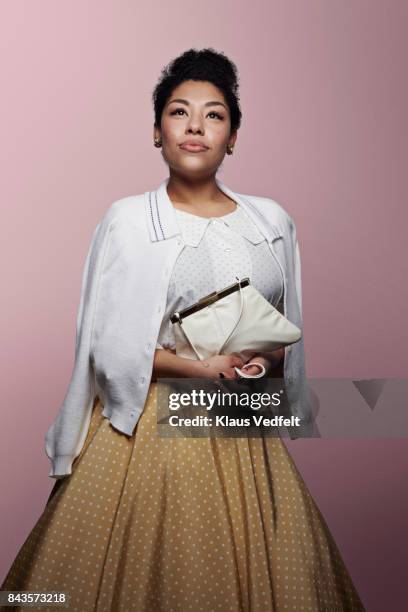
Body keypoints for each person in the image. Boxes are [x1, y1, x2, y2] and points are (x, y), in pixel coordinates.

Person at [0, 48, 365, 612]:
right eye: (179, 112)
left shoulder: (270, 221)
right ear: (157, 130)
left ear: (234, 136)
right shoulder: (127, 221)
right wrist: (199, 368)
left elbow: (286, 334)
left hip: (243, 430)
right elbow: (108, 345)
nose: (196, 126)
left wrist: (262, 364)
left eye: (215, 115)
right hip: (147, 429)